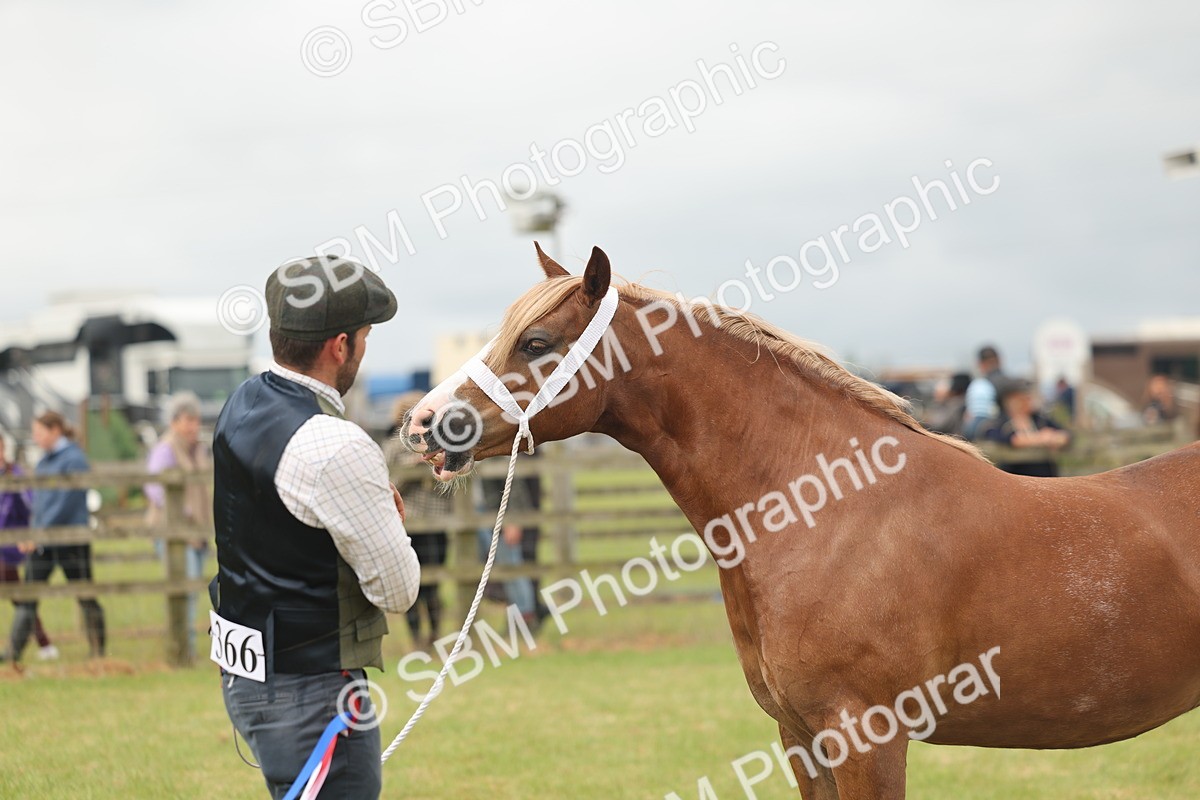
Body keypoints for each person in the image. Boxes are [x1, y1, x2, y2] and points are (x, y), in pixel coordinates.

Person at [212, 256, 420, 800]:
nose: (365, 348)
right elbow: (397, 590)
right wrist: (389, 525)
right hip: (314, 691)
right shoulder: (338, 445)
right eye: (366, 337)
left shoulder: (241, 403)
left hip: (249, 676)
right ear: (340, 346)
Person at [9, 411, 105, 662]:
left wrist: (38, 533)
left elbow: (64, 503)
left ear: (55, 431)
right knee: (29, 595)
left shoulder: (73, 459)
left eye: (39, 432)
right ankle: (12, 653)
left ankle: (98, 651)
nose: (36, 438)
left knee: (85, 594)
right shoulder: (45, 461)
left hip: (70, 540)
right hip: (44, 542)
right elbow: (39, 504)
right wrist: (33, 532)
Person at [144, 392, 211, 662]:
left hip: (198, 530)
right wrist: (182, 513)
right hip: (174, 530)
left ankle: (185, 647)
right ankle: (183, 649)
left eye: (194, 420)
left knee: (192, 590)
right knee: (183, 591)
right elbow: (154, 486)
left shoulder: (200, 448)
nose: (191, 426)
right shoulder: (165, 449)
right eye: (186, 420)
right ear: (173, 422)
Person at [384, 392, 448, 649]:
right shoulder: (392, 447)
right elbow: (388, 483)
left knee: (433, 584)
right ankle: (415, 638)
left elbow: (453, 485)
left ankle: (434, 635)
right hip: (408, 526)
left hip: (436, 522)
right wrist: (412, 469)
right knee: (411, 585)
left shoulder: (441, 445)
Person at [0, 436, 57, 663]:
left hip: (11, 545)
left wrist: (31, 534)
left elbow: (33, 506)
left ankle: (43, 644)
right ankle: (45, 644)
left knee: (18, 595)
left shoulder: (15, 474)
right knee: (19, 596)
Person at [986, 378, 1071, 477]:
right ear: (1011, 400)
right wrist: (1041, 438)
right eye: (1024, 397)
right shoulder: (1000, 423)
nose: (1030, 400)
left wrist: (1057, 438)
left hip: (1045, 478)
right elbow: (1009, 439)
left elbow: (1065, 434)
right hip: (1015, 479)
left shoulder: (1040, 420)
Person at [964, 345, 1006, 440]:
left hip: (973, 425)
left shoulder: (977, 383)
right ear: (999, 360)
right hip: (991, 428)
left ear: (980, 363)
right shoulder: (1003, 381)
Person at [924, 372, 972, 437]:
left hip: (950, 437)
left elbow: (941, 425)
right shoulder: (960, 401)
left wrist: (925, 422)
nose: (936, 396)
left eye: (938, 393)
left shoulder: (955, 404)